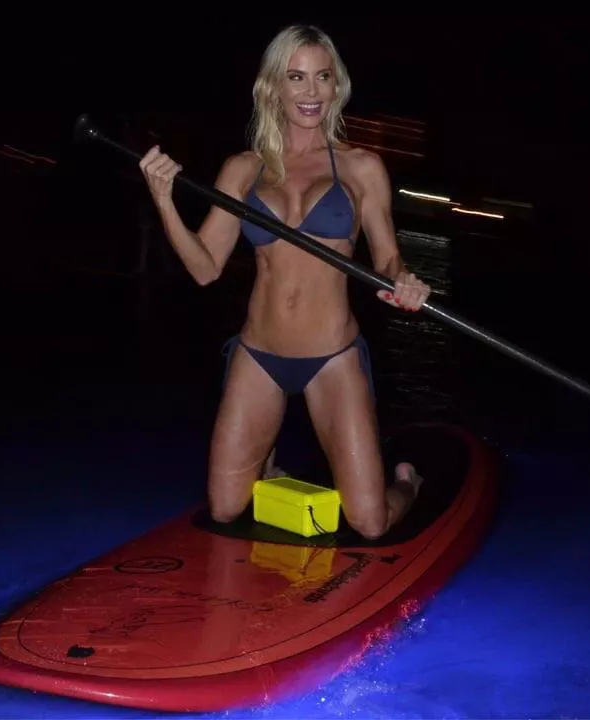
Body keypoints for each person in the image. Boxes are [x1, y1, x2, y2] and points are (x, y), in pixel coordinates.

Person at [138, 23, 431, 540]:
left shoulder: (363, 168)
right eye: (296, 77)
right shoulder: (242, 170)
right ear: (272, 86)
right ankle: (268, 463)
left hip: (332, 357)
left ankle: (408, 481)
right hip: (259, 354)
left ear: (337, 85)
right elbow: (205, 269)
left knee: (369, 522)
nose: (311, 92)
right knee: (225, 509)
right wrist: (163, 200)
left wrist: (401, 281)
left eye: (322, 77)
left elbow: (386, 258)